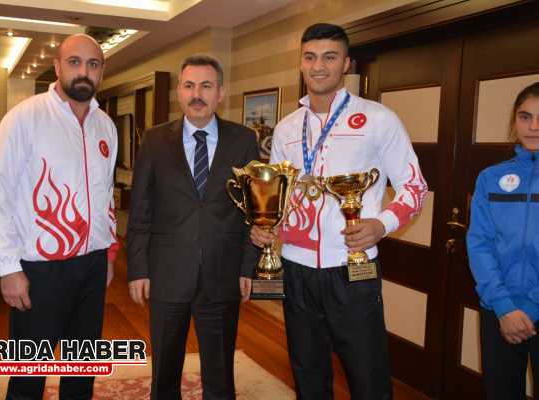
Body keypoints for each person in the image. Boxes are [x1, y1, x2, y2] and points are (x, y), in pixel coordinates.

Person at [250, 23, 427, 400]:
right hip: (296, 268)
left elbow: (415, 188)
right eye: (310, 57)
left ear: (346, 63)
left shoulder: (379, 119)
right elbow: (280, 195)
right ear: (301, 63)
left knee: (367, 376)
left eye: (329, 57)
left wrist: (381, 224)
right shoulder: (286, 129)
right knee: (307, 372)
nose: (319, 66)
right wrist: (268, 226)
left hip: (352, 267)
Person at [0, 33, 118, 399]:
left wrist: (108, 253)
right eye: (74, 62)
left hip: (92, 266)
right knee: (28, 377)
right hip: (39, 270)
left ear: (101, 71)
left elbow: (105, 195)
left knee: (81, 371)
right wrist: (8, 268)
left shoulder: (106, 126)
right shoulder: (24, 118)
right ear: (57, 67)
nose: (83, 71)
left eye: (93, 64)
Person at [126, 54, 260, 400]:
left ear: (220, 93)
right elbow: (140, 210)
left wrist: (249, 266)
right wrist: (138, 269)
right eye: (189, 86)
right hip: (167, 273)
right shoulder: (154, 140)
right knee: (164, 372)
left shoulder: (244, 140)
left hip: (223, 273)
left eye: (206, 86)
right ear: (179, 92)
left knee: (220, 373)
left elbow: (255, 212)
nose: (196, 94)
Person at [467, 81, 539, 399]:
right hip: (499, 309)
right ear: (514, 121)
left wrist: (531, 307)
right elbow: (479, 243)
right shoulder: (490, 178)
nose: (533, 127)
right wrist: (505, 307)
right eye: (525, 117)